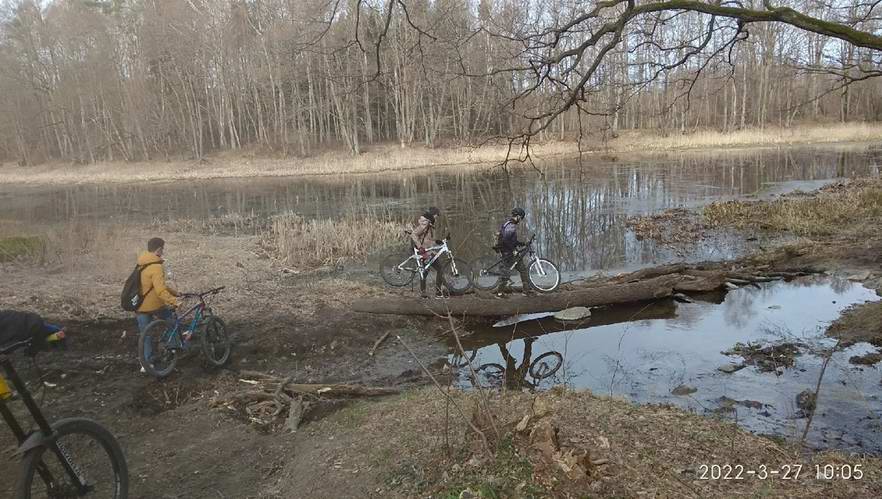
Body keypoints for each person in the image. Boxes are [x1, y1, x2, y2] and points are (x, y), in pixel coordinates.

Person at [135, 237, 179, 372]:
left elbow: (156, 285)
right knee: (172, 320)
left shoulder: (141, 263)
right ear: (159, 249)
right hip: (154, 306)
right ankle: (172, 348)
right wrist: (175, 301)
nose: (163, 252)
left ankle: (146, 364)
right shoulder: (156, 266)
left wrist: (175, 293)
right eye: (163, 249)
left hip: (139, 306)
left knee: (145, 334)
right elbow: (160, 290)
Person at [496, 207, 535, 297]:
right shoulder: (511, 226)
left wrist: (522, 243)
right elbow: (506, 240)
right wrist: (513, 250)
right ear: (517, 216)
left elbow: (512, 241)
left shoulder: (509, 224)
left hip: (510, 251)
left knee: (523, 270)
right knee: (506, 273)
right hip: (507, 252)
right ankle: (499, 293)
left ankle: (526, 291)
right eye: (521, 218)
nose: (520, 220)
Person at [411, 207, 445, 298]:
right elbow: (414, 234)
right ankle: (426, 293)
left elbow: (428, 239)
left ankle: (437, 292)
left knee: (439, 269)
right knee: (425, 271)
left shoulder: (430, 225)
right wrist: (420, 247)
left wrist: (437, 241)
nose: (437, 218)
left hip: (430, 251)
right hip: (423, 252)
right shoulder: (425, 224)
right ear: (433, 215)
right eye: (436, 216)